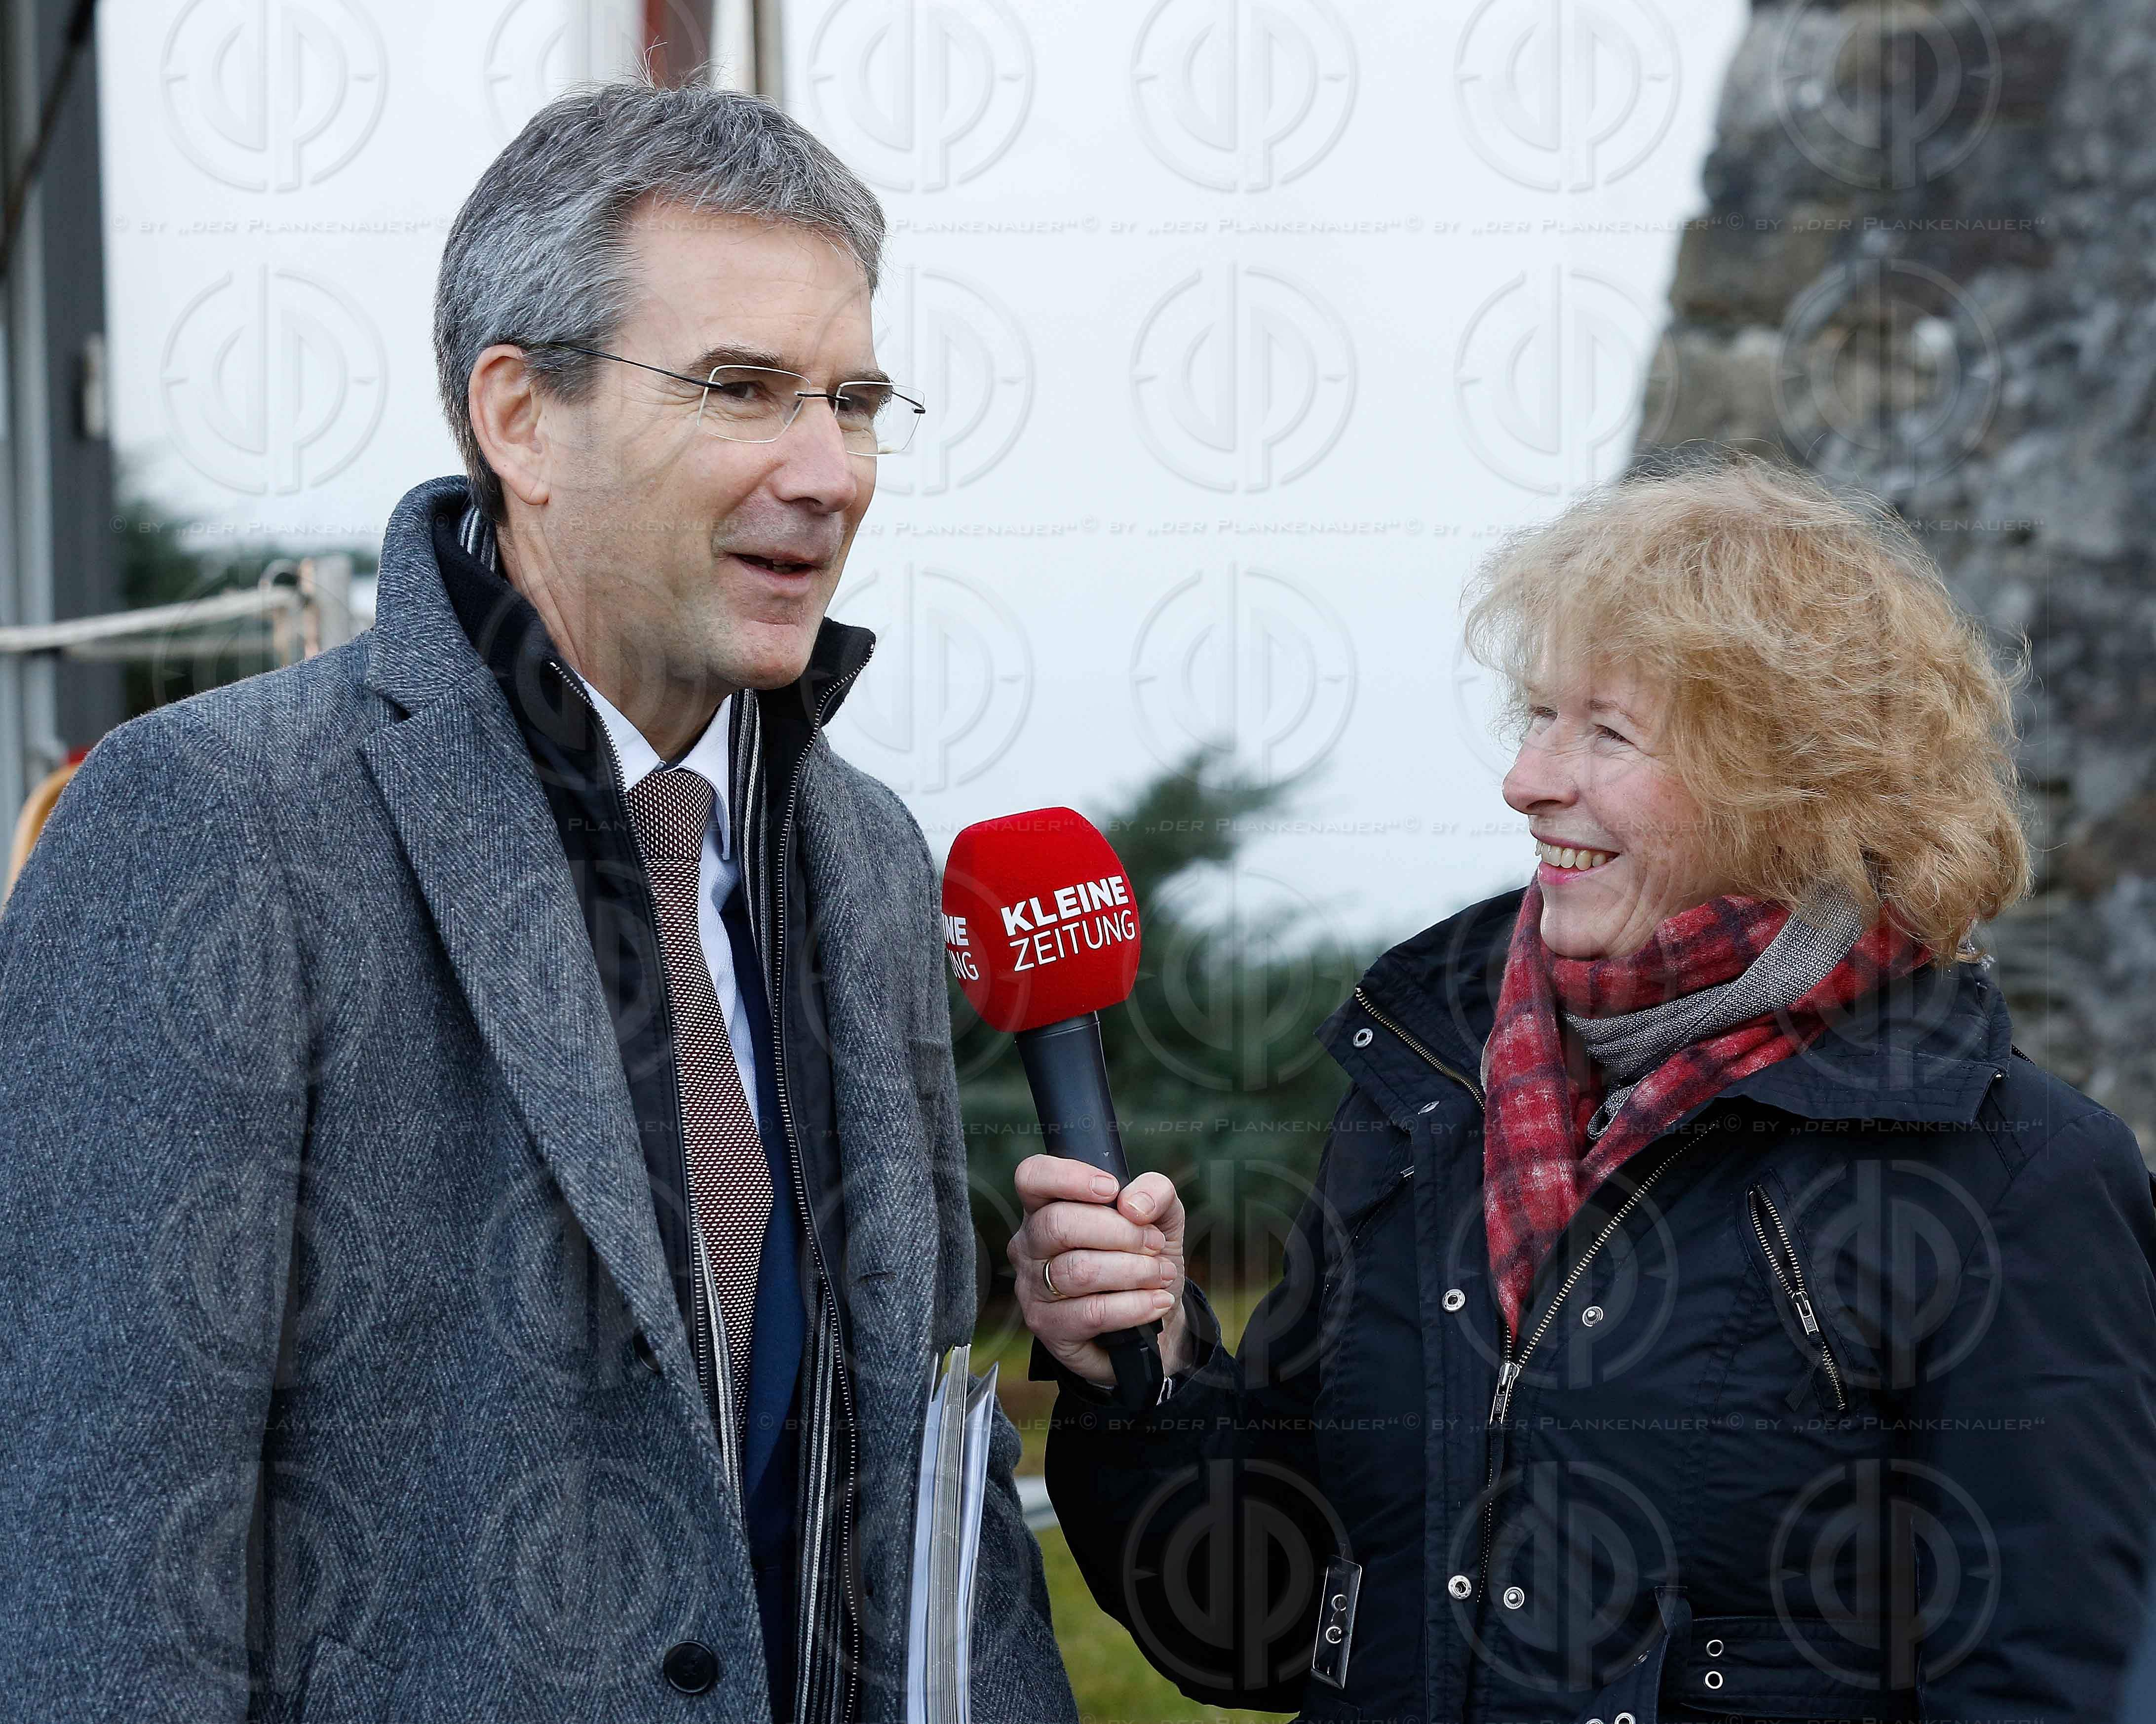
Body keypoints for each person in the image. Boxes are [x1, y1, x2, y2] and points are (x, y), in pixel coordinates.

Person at [0, 82, 1075, 1724]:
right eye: (740, 390)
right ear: (520, 418)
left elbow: (905, 1512)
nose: (825, 471)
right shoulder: (216, 820)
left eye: (852, 400)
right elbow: (95, 1557)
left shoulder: (865, 860)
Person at [1013, 451, 2156, 1722]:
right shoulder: (1427, 1096)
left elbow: (2054, 1687)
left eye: (1606, 732)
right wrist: (1154, 1373)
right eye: (1538, 717)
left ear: (1791, 789)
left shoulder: (2015, 1180)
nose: (1528, 779)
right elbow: (1257, 1632)